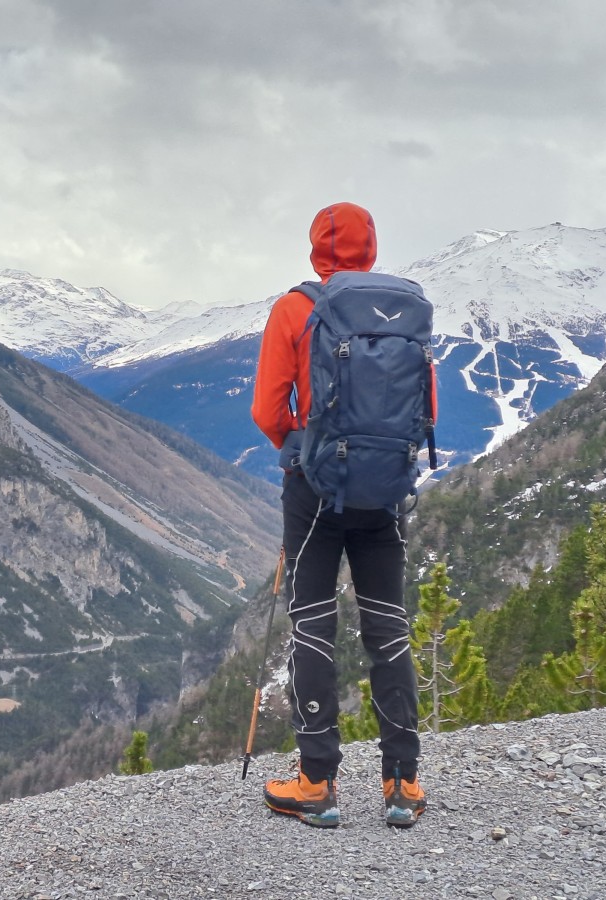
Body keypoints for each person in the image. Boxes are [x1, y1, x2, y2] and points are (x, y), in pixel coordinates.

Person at [250, 201, 426, 829]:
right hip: (384, 494)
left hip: (315, 490)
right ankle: (402, 782)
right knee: (387, 626)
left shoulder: (295, 309)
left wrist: (301, 449)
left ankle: (316, 782)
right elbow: (423, 404)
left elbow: (268, 411)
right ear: (371, 248)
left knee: (313, 625)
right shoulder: (405, 312)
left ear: (314, 249)